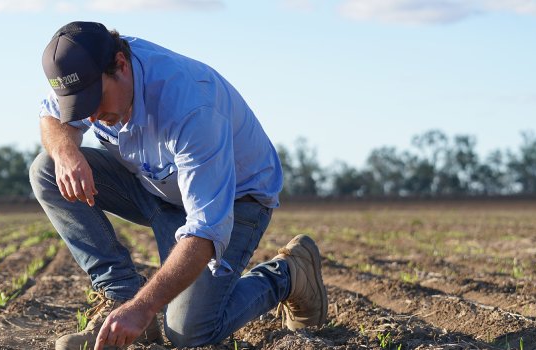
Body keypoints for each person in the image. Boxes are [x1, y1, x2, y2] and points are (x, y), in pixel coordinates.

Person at [29, 21, 328, 350]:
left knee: (190, 331)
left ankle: (288, 274)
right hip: (155, 185)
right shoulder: (84, 70)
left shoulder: (190, 108)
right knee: (47, 169)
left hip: (235, 200)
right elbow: (51, 117)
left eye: (95, 101)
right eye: (80, 108)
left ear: (121, 65)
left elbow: (205, 229)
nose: (93, 116)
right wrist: (65, 152)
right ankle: (119, 299)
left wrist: (143, 309)